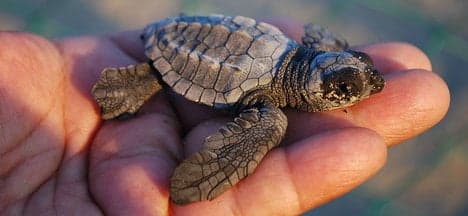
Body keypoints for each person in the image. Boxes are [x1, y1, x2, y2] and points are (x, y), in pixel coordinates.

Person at [0, 22, 449, 215]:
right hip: (175, 51)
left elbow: (322, 39)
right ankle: (144, 78)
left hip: (220, 32)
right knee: (269, 126)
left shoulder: (306, 53)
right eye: (351, 86)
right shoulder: (271, 107)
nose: (366, 88)